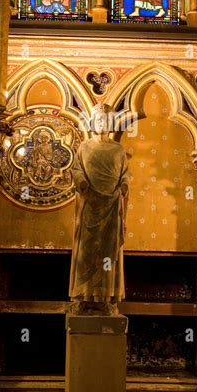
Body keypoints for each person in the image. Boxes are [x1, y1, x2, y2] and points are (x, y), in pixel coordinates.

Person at [69, 103, 129, 312]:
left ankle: (106, 297)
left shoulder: (118, 149)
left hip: (111, 206)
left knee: (109, 252)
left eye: (105, 120)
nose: (102, 123)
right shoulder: (84, 147)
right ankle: (84, 296)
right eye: (98, 119)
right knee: (86, 252)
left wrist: (124, 185)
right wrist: (81, 181)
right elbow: (76, 169)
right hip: (90, 205)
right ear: (92, 122)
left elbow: (125, 174)